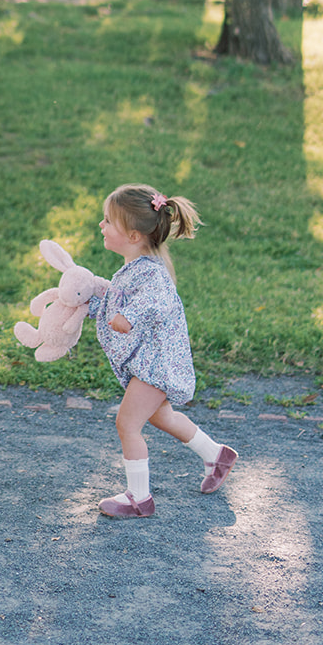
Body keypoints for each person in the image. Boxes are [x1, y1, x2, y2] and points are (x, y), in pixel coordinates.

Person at [86, 183, 237, 519]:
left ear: (135, 235)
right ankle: (217, 455)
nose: (102, 225)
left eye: (108, 221)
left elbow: (153, 303)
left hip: (158, 366)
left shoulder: (151, 273)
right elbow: (115, 306)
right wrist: (88, 305)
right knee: (161, 416)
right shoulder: (132, 269)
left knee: (127, 424)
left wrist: (128, 317)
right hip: (152, 364)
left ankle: (139, 498)